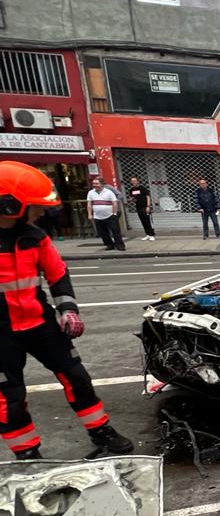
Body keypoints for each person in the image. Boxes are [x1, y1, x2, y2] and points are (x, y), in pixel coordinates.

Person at [0, 162, 133, 459]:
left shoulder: (34, 236)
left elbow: (57, 274)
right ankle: (27, 454)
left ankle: (101, 431)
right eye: (33, 206)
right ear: (9, 205)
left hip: (39, 323)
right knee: (9, 397)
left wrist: (68, 310)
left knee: (77, 377)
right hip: (2, 334)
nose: (40, 211)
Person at [86, 177, 125, 251]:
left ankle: (120, 245)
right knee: (103, 232)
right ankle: (109, 244)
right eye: (94, 183)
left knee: (115, 231)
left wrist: (114, 213)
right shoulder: (90, 192)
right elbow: (89, 204)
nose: (95, 185)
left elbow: (114, 203)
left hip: (110, 215)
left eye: (97, 183)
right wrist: (90, 214)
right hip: (97, 216)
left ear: (102, 184)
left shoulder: (108, 192)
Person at [127, 176, 155, 241]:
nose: (133, 182)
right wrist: (131, 200)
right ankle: (147, 234)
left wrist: (148, 206)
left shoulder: (142, 188)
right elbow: (133, 198)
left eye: (135, 181)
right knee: (143, 221)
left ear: (137, 181)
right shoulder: (131, 190)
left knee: (148, 221)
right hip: (138, 207)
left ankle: (152, 235)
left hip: (145, 207)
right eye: (132, 181)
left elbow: (148, 197)